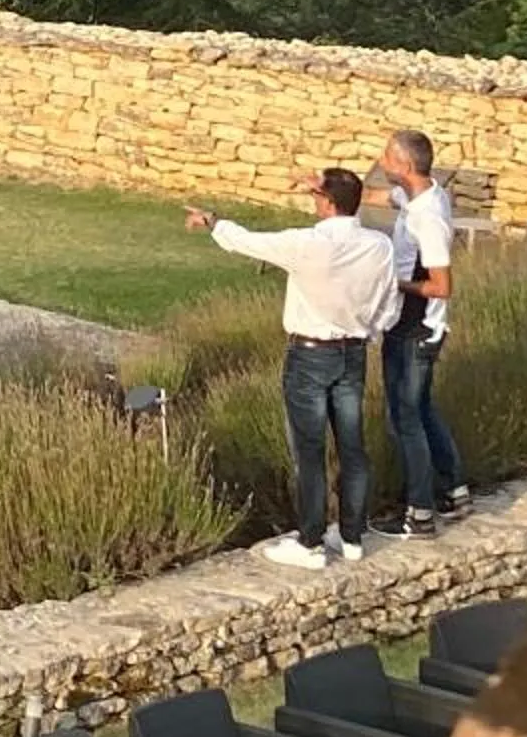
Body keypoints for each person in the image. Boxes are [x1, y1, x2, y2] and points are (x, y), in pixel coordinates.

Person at [184, 168, 400, 570]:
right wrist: (369, 333)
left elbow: (249, 242)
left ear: (326, 201)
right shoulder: (379, 246)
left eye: (317, 196)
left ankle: (311, 541)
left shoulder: (308, 243)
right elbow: (390, 302)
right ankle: (352, 536)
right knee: (352, 447)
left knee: (309, 449)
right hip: (353, 352)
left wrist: (213, 220)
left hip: (310, 355)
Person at [379, 128, 472, 537]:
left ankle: (419, 513)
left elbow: (442, 285)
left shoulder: (427, 219)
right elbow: (384, 198)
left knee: (405, 417)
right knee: (422, 408)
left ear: (404, 165)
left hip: (416, 329)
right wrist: (327, 188)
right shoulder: (423, 194)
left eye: (386, 157)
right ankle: (454, 490)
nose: (381, 163)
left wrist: (390, 282)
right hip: (413, 326)